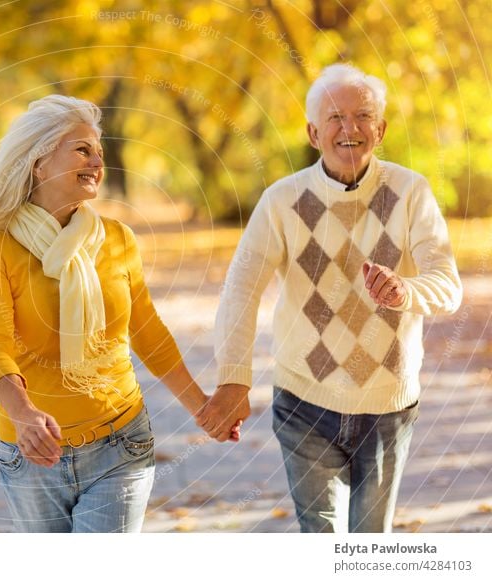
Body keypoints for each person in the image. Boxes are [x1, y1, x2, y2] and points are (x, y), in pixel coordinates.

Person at [0, 95, 233, 533]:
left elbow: (147, 330)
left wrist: (203, 408)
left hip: (121, 442)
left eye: (98, 151)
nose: (98, 160)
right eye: (82, 149)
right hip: (33, 452)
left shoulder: (117, 239)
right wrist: (23, 413)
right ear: (39, 163)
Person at [197, 64, 462, 532]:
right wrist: (233, 379)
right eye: (335, 117)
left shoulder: (410, 193)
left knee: (366, 543)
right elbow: (242, 288)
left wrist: (407, 290)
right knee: (320, 538)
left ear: (379, 130)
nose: (350, 128)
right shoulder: (282, 201)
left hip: (387, 404)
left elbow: (447, 284)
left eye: (363, 116)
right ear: (313, 131)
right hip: (303, 398)